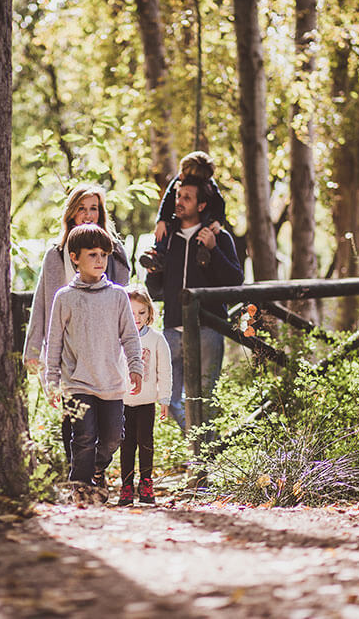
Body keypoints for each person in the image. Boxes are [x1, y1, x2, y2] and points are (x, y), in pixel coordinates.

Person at [23, 183, 130, 464]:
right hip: (66, 346)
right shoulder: (56, 254)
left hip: (103, 348)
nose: (88, 214)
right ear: (71, 213)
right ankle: (79, 476)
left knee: (110, 426)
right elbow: (42, 304)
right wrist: (33, 350)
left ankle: (94, 468)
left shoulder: (114, 252)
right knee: (74, 416)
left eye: (93, 208)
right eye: (81, 208)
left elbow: (124, 300)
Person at [45, 224, 143, 499]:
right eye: (93, 254)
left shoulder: (118, 296)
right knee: (83, 438)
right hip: (77, 383)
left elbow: (130, 337)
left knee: (113, 438)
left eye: (104, 254)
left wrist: (135, 366)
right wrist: (52, 383)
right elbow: (54, 344)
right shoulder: (65, 298)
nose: (100, 260)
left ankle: (97, 470)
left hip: (111, 382)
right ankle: (81, 487)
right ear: (75, 257)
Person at [144, 175, 244, 431]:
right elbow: (153, 289)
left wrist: (213, 250)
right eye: (178, 196)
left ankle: (202, 465)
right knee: (171, 398)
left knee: (205, 400)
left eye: (187, 197)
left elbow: (234, 282)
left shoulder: (219, 237)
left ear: (201, 205)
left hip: (208, 330)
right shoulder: (166, 236)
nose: (179, 201)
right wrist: (154, 270)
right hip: (172, 330)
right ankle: (203, 454)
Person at [118, 285, 172, 506]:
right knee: (126, 444)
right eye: (131, 313)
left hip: (147, 402)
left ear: (149, 312)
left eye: (141, 312)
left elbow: (165, 371)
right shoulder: (118, 338)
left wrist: (164, 399)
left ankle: (146, 483)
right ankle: (127, 485)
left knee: (146, 443)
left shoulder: (157, 339)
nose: (137, 318)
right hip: (123, 402)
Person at [141, 151, 227, 271]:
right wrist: (162, 220)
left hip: (205, 217)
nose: (180, 174)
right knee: (164, 230)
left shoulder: (210, 187)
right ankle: (157, 254)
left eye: (183, 173)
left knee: (206, 229)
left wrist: (218, 221)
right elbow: (168, 200)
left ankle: (203, 251)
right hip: (180, 217)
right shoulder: (178, 182)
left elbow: (220, 205)